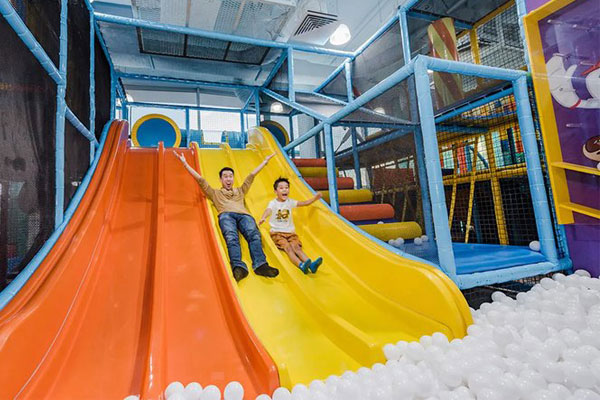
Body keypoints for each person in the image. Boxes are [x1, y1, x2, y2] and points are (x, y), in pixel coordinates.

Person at [175, 152, 278, 282]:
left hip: (244, 215)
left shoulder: (240, 191)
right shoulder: (215, 193)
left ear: (233, 179)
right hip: (226, 215)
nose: (228, 179)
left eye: (230, 176)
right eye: (225, 177)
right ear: (221, 179)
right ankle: (238, 267)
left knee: (254, 235)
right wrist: (185, 164)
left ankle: (261, 265)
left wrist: (265, 161)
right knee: (231, 237)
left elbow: (251, 176)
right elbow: (200, 180)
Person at [258, 177, 323, 274]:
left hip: (290, 233)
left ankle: (311, 264)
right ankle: (301, 265)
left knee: (296, 247)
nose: (285, 190)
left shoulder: (290, 202)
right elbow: (268, 210)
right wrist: (263, 217)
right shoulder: (273, 203)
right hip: (277, 233)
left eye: (286, 187)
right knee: (288, 248)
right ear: (275, 191)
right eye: (281, 188)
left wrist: (315, 198)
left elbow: (304, 203)